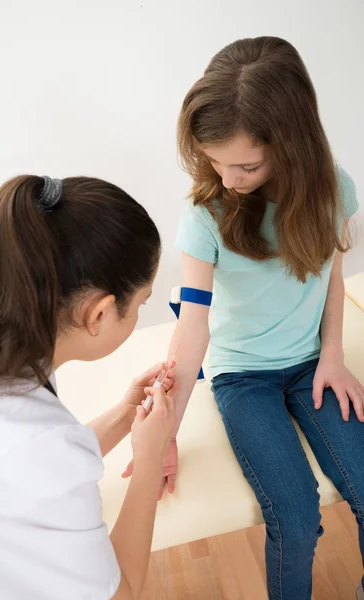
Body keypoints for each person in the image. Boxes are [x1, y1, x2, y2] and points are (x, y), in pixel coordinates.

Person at [151, 37, 363, 599]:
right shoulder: (206, 212)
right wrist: (164, 434)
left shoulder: (335, 192)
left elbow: (332, 280)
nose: (227, 179)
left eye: (245, 164)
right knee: (294, 519)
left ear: (292, 144)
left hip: (311, 361)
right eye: (214, 161)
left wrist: (334, 358)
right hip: (242, 376)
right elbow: (193, 325)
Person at [0, 174, 177, 600]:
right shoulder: (34, 443)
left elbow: (28, 473)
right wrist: (149, 457)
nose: (140, 314)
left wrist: (125, 414)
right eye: (140, 304)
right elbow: (122, 591)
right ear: (99, 314)